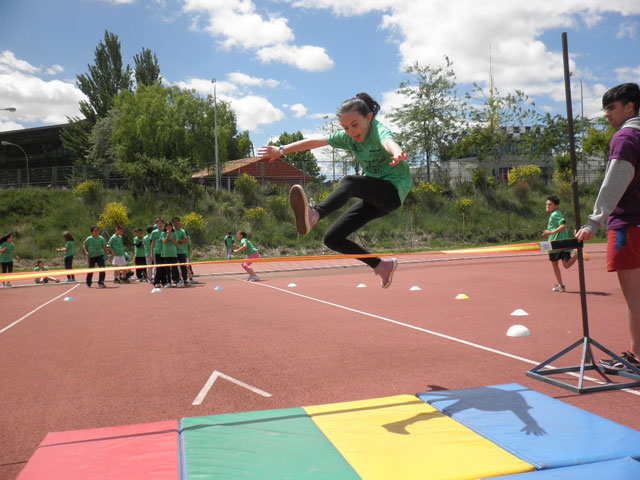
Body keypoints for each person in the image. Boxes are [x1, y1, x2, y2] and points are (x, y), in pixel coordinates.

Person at [257, 92, 410, 288]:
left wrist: (396, 152)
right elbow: (315, 142)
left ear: (369, 118)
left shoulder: (378, 130)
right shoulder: (348, 138)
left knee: (350, 182)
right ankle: (381, 266)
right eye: (345, 127)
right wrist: (281, 150)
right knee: (332, 238)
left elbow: (387, 141)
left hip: (392, 192)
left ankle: (316, 214)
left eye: (355, 125)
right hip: (375, 200)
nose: (351, 132)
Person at [576, 82, 640, 373]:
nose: (606, 115)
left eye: (611, 107)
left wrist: (594, 221)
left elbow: (615, 182)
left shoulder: (626, 138)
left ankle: (636, 357)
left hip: (629, 224)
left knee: (634, 295)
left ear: (630, 107)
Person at [542, 195, 579, 292]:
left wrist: (550, 232)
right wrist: (549, 231)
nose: (547, 206)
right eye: (546, 204)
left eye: (550, 204)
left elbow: (563, 225)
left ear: (556, 206)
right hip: (559, 242)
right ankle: (577, 255)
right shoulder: (554, 214)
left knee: (555, 264)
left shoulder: (555, 214)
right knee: (564, 264)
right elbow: (558, 227)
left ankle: (561, 285)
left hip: (557, 243)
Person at [160, 222, 180, 287]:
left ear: (172, 227)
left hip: (173, 253)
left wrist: (172, 239)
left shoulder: (174, 233)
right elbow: (164, 242)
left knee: (174, 268)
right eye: (167, 227)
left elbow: (176, 244)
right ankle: (168, 282)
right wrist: (167, 236)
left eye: (170, 227)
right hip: (166, 253)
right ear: (165, 228)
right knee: (167, 269)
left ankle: (176, 281)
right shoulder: (163, 233)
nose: (169, 228)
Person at [173, 217, 189, 287]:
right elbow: (174, 240)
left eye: (177, 221)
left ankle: (185, 280)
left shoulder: (182, 231)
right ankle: (176, 280)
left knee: (183, 267)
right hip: (174, 252)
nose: (176, 223)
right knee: (175, 267)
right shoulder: (172, 230)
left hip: (182, 251)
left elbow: (185, 240)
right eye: (175, 221)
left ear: (179, 222)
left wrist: (179, 240)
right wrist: (180, 240)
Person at [150, 219, 165, 287]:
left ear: (163, 224)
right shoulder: (154, 232)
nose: (159, 224)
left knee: (164, 267)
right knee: (158, 267)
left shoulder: (165, 231)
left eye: (161, 223)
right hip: (157, 252)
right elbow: (152, 243)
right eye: (158, 223)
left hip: (165, 252)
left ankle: (164, 282)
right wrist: (151, 252)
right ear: (156, 224)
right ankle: (156, 282)